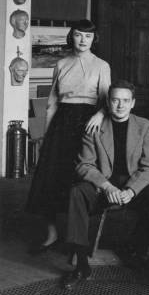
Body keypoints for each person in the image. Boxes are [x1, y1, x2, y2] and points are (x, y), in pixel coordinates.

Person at [62, 80, 149, 289]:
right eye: (115, 100)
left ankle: (136, 250)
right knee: (77, 193)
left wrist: (131, 190)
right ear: (108, 103)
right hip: (103, 183)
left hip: (133, 182)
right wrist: (106, 186)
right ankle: (81, 265)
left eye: (125, 101)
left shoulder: (145, 126)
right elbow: (84, 165)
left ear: (133, 103)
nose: (120, 105)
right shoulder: (94, 126)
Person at [26, 20, 111, 254]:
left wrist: (99, 115)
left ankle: (78, 238)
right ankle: (52, 234)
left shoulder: (102, 66)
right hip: (62, 124)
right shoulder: (61, 64)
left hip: (89, 123)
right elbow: (52, 102)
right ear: (71, 37)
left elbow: (107, 100)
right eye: (78, 35)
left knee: (81, 178)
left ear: (94, 39)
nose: (83, 40)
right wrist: (45, 135)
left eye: (88, 36)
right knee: (51, 177)